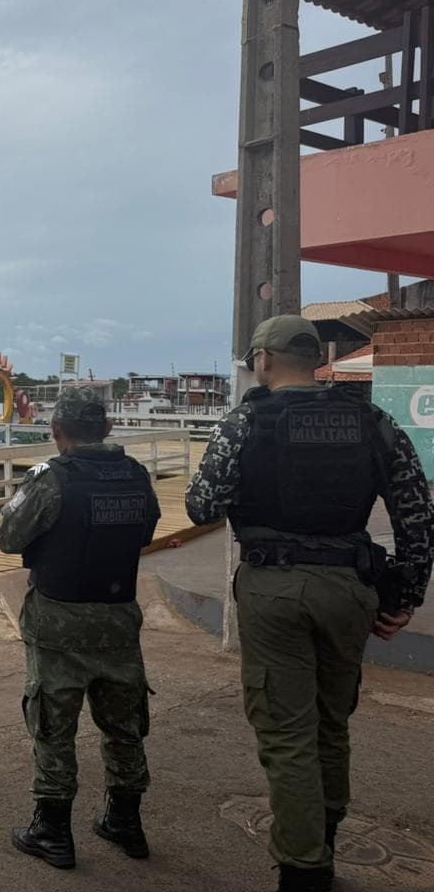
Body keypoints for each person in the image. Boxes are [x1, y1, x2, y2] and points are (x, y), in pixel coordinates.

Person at [186, 314, 432, 892]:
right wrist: (403, 594)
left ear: (263, 361)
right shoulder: (372, 420)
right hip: (349, 587)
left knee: (286, 732)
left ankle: (304, 869)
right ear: (316, 360)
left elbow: (202, 507)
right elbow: (417, 516)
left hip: (274, 589)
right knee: (330, 724)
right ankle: (325, 834)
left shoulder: (244, 421)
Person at [0, 385, 161, 870]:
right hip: (117, 618)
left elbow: (8, 537)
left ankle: (52, 832)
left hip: (59, 621)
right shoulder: (135, 474)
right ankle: (126, 823)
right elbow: (147, 531)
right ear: (107, 428)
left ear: (56, 430)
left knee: (53, 726)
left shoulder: (50, 479)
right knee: (124, 727)